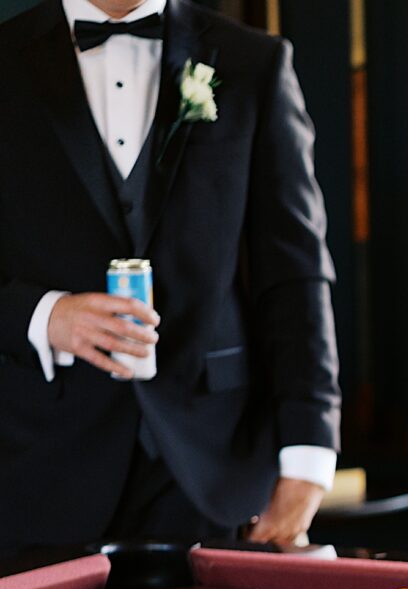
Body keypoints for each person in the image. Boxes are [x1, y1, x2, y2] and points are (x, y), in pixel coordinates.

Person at [0, 0, 341, 553]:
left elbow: (296, 275)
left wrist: (310, 456)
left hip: (213, 471)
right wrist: (44, 316)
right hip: (34, 474)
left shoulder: (254, 63)